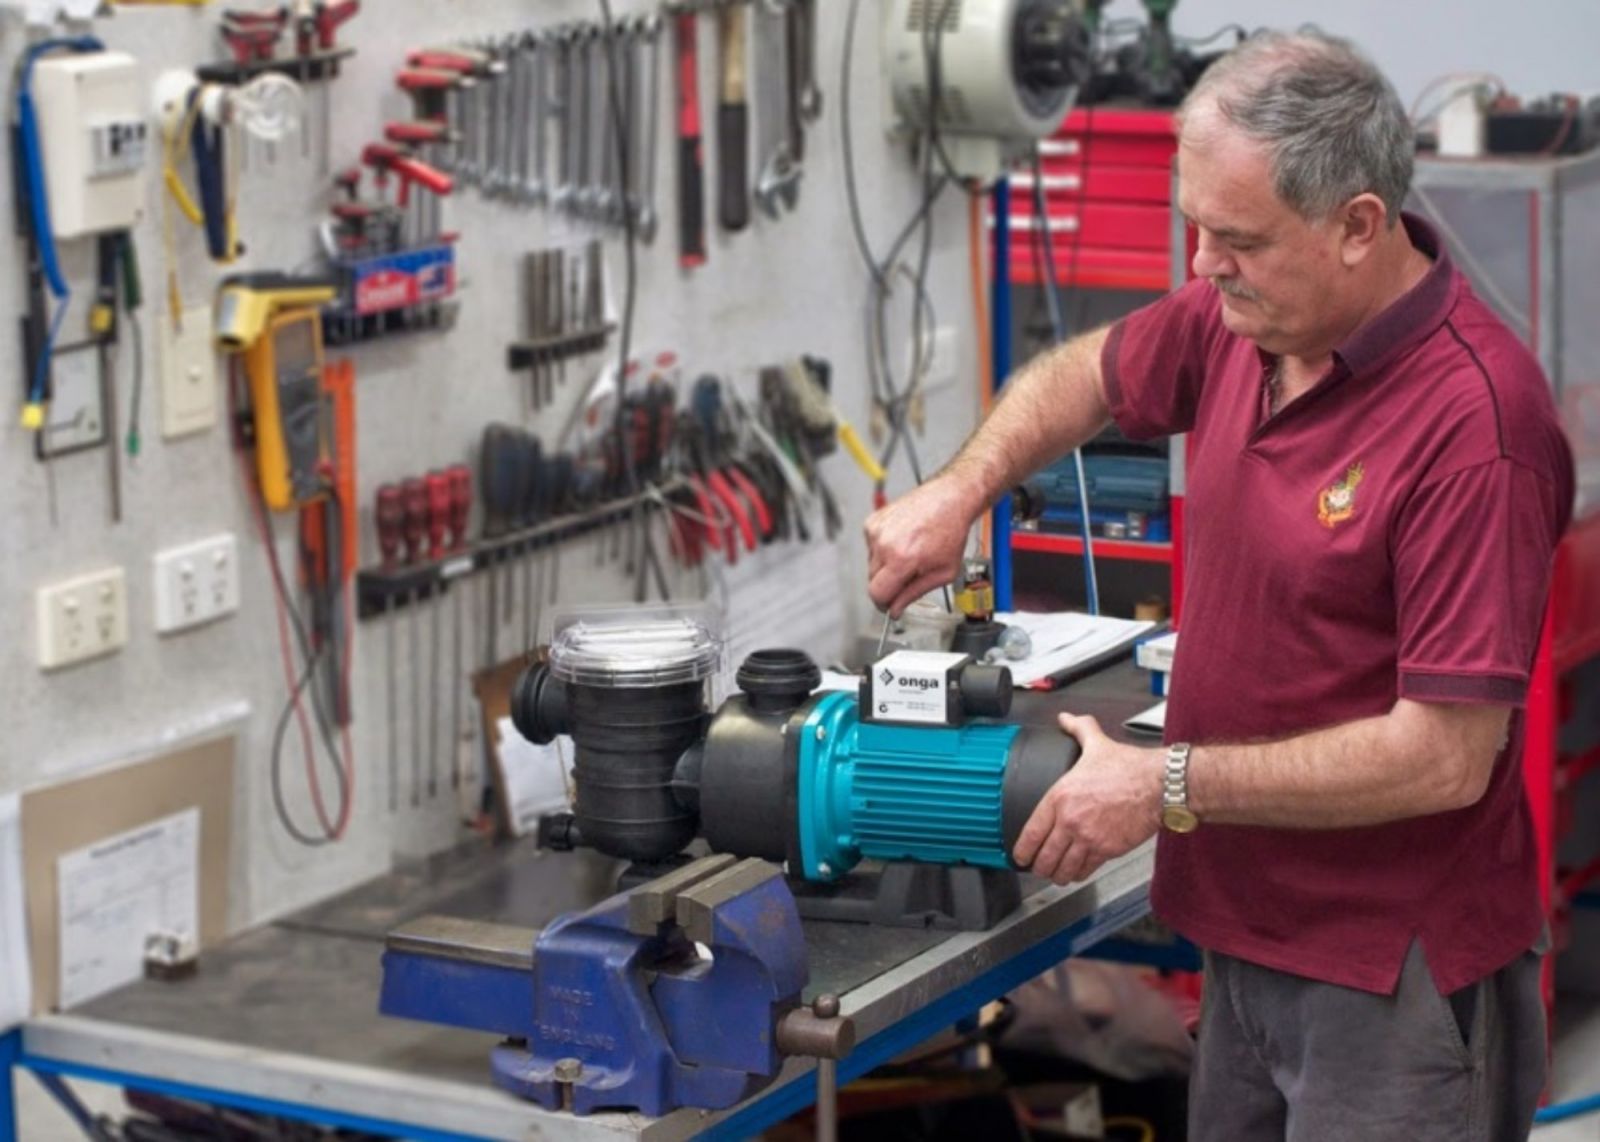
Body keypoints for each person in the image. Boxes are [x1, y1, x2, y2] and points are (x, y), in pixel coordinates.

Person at [864, 29, 1575, 1142]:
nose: (1202, 265)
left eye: (1238, 239)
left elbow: (1442, 754)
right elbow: (1089, 375)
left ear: (1358, 226)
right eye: (1195, 227)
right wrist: (963, 487)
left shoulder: (1477, 428)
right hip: (1243, 929)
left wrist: (1165, 782)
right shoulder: (1248, 319)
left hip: (1387, 976)